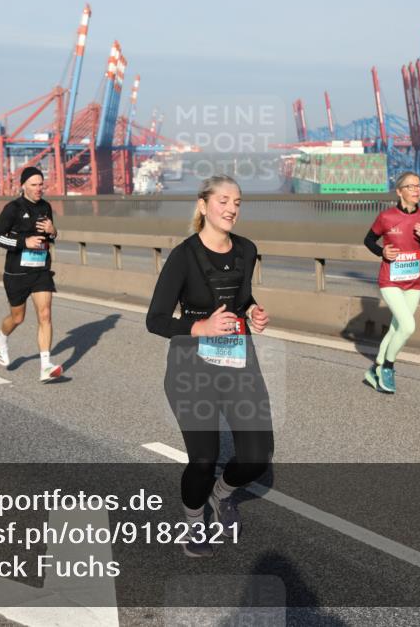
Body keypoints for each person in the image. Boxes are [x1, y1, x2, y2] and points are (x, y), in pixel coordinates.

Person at [146, 175, 274, 558]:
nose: (231, 208)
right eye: (223, 201)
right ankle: (193, 519)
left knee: (257, 456)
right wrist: (199, 327)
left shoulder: (247, 249)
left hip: (238, 360)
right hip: (191, 366)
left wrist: (253, 310)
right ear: (203, 205)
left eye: (237, 202)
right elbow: (155, 319)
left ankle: (222, 494)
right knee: (203, 458)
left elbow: (241, 296)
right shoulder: (183, 256)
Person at [362, 171, 420, 394]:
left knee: (397, 328)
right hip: (390, 281)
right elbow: (368, 240)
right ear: (399, 191)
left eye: (419, 186)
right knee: (408, 326)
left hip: (414, 282)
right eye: (411, 186)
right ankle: (388, 366)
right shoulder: (386, 217)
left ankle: (374, 369)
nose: (416, 190)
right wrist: (382, 251)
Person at [0, 166, 63, 382]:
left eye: (41, 184)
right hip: (17, 273)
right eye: (34, 185)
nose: (39, 188)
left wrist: (53, 231)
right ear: (23, 186)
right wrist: (24, 241)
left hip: (41, 271)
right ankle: (1, 338)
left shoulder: (46, 207)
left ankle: (46, 366)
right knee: (17, 317)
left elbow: (51, 236)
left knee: (45, 314)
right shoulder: (12, 209)